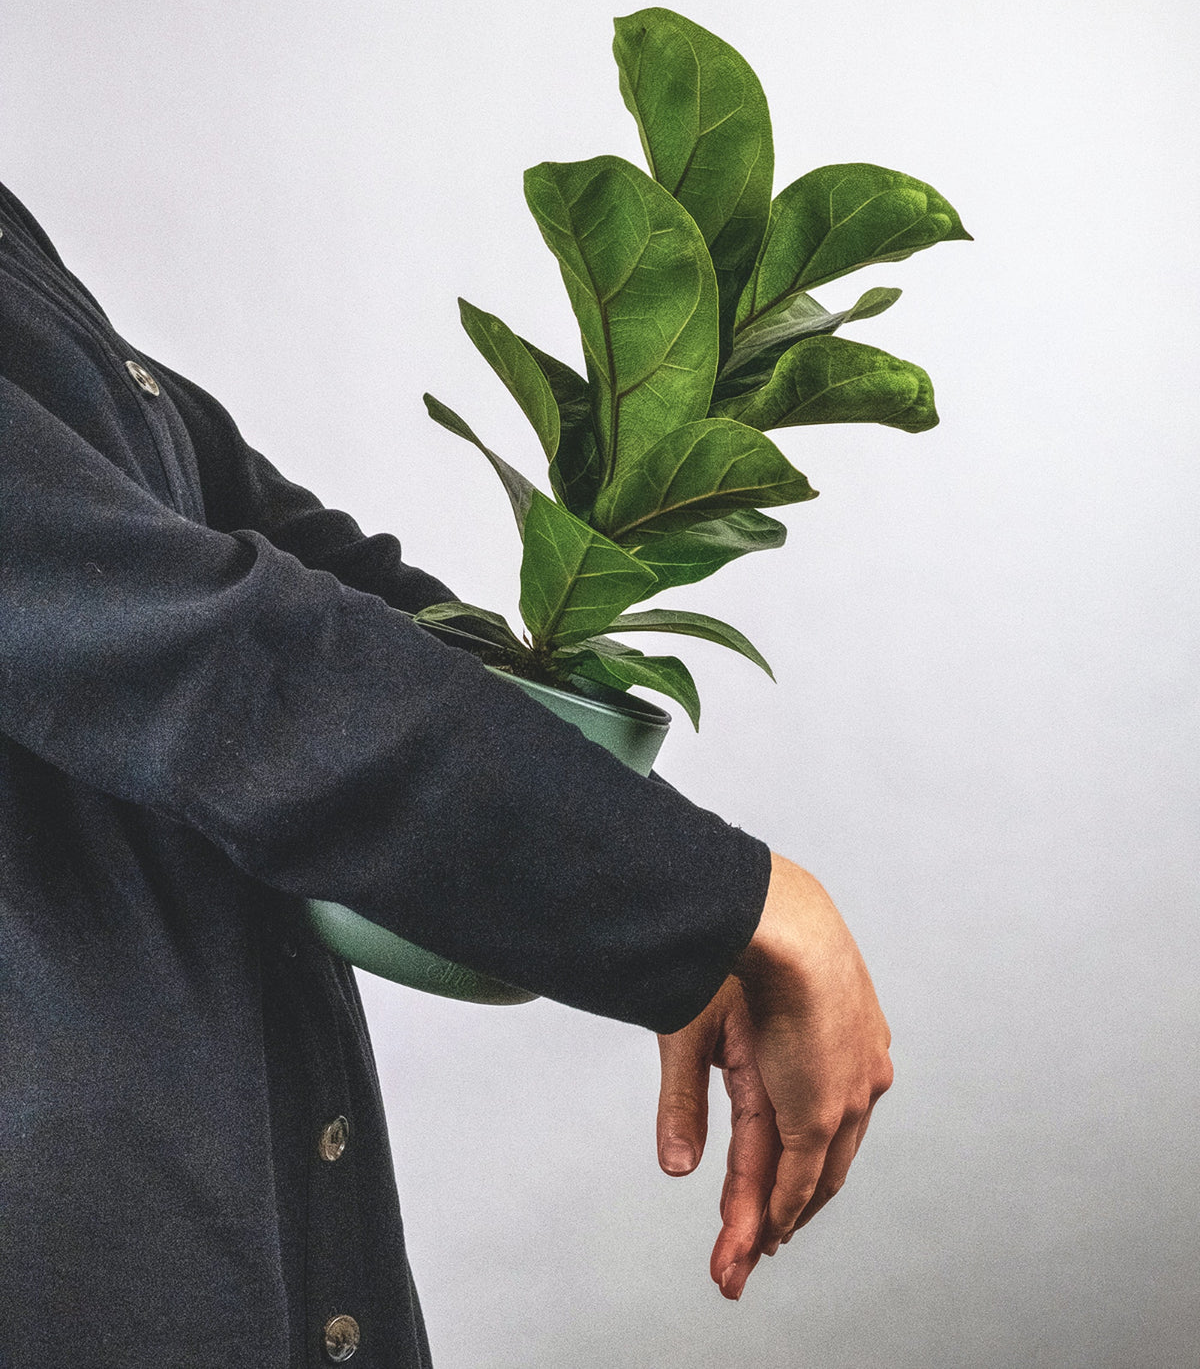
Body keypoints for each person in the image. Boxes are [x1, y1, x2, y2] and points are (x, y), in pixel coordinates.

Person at [0, 177, 892, 1369]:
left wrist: (663, 899)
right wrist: (731, 902)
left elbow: (272, 547)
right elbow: (216, 655)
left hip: (233, 1203)